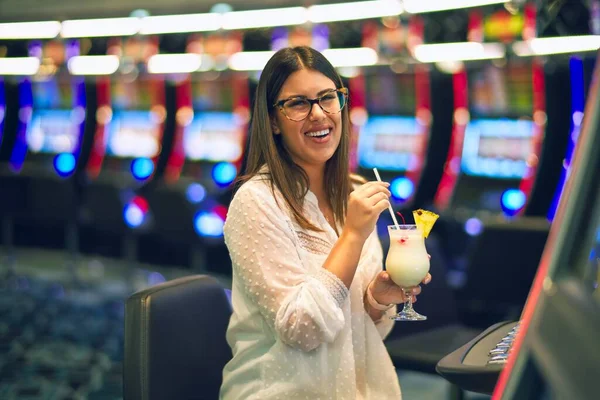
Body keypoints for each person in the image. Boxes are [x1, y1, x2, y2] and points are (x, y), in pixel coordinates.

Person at [220, 46, 431, 400]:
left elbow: (363, 334)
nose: (318, 114)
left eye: (327, 98)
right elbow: (301, 330)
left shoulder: (356, 191)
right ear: (272, 120)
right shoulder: (256, 202)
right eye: (298, 103)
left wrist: (377, 302)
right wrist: (353, 234)